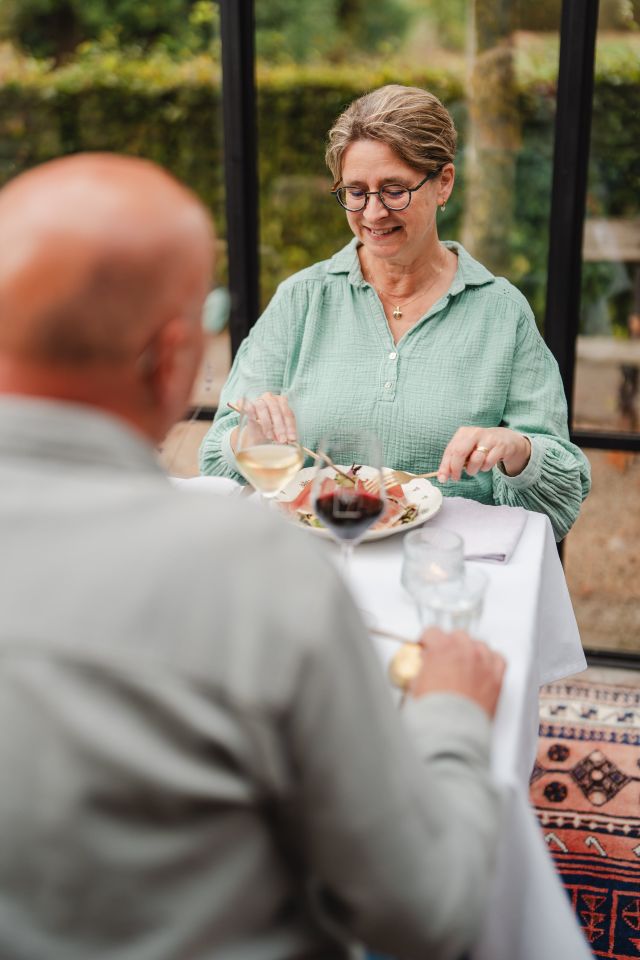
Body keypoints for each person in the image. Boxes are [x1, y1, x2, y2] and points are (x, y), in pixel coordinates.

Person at [0, 152, 506, 959]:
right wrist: (450, 716)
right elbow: (424, 917)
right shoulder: (255, 570)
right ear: (172, 358)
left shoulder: (497, 309)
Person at [200, 84, 591, 541]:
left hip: (443, 565)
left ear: (443, 182)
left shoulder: (501, 312)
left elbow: (561, 502)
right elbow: (214, 461)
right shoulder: (302, 299)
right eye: (355, 191)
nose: (373, 212)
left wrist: (519, 450)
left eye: (394, 190)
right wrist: (248, 435)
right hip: (314, 565)